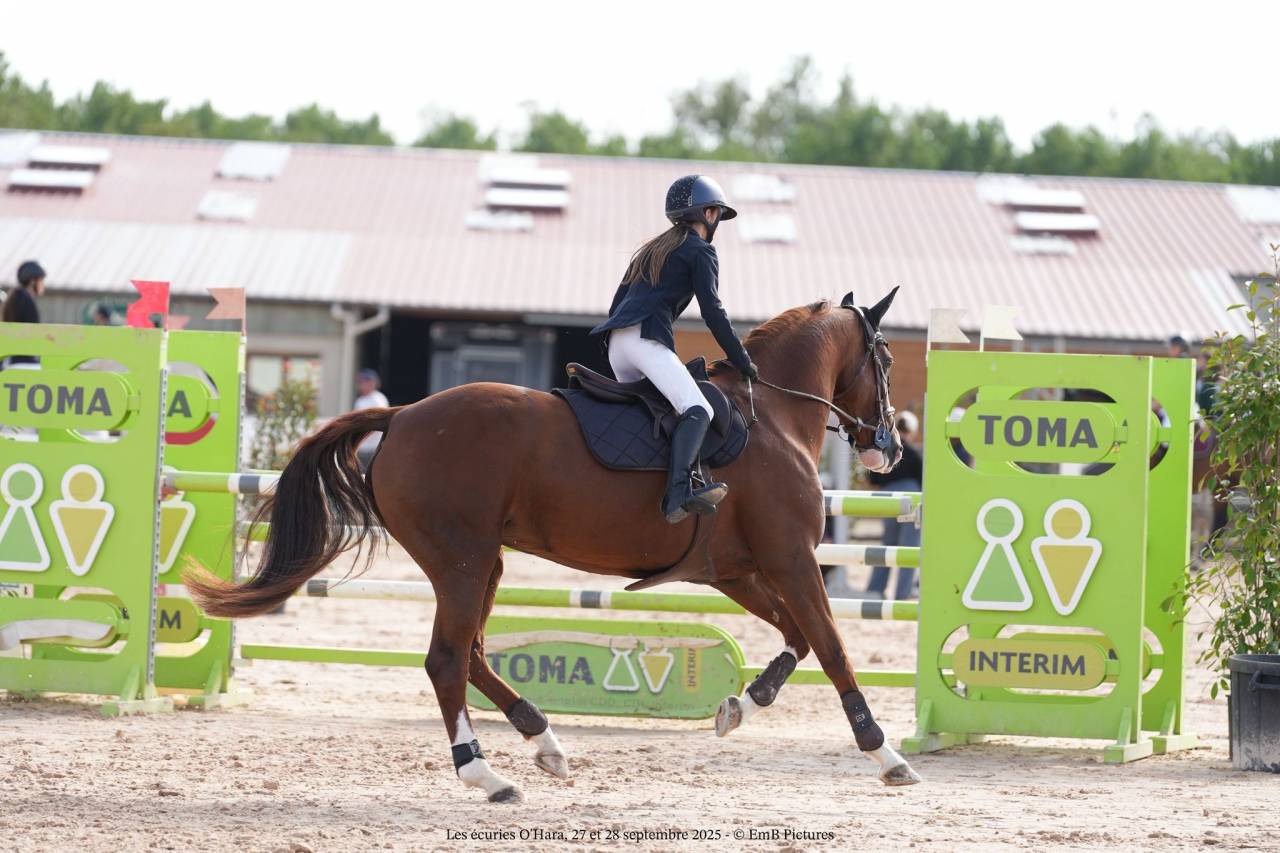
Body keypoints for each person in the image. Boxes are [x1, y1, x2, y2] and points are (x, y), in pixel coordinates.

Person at [591, 175, 758, 524]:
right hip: (646, 342)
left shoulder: (654, 249)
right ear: (709, 213)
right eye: (717, 215)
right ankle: (678, 492)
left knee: (654, 413)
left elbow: (617, 303)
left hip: (618, 344)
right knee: (698, 409)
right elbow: (713, 312)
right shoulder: (700, 251)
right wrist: (742, 358)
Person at [864, 411, 923, 600]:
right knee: (909, 547)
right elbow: (923, 480)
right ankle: (902, 593)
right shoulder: (913, 453)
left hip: (887, 497)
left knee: (887, 544)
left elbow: (872, 477)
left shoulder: (885, 452)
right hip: (911, 497)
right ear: (912, 431)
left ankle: (875, 589)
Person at [2, 261, 46, 368]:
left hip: (11, 359)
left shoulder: (15, 296)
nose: (43, 284)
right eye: (40, 280)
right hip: (23, 360)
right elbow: (33, 330)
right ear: (32, 281)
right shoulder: (24, 298)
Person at [353, 368, 389, 471]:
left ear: (372, 383)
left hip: (374, 447)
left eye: (363, 382)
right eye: (359, 382)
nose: (360, 385)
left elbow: (380, 421)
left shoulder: (378, 399)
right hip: (361, 447)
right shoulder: (360, 400)